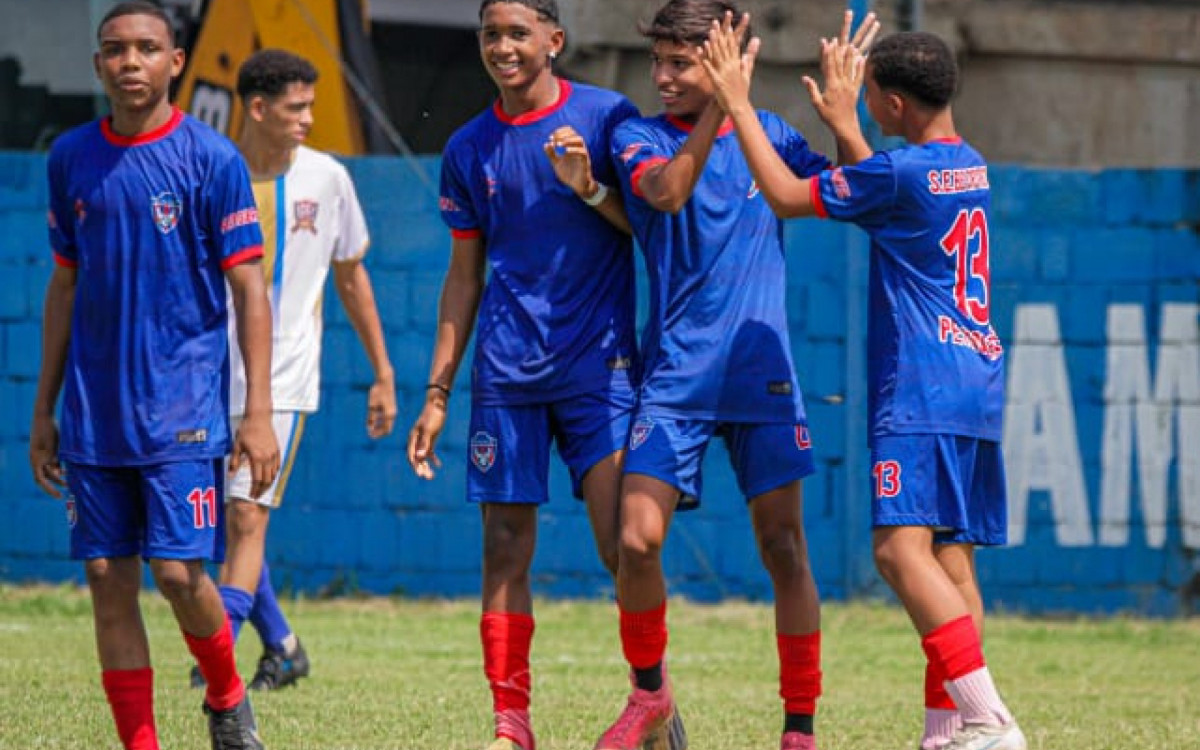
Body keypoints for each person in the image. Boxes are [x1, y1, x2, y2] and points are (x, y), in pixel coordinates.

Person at [701, 17, 1026, 750]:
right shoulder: (965, 162)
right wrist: (850, 122)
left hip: (920, 384)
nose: (865, 102)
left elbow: (786, 194)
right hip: (974, 377)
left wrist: (739, 103)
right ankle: (947, 733)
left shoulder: (900, 171)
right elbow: (883, 198)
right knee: (949, 558)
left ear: (896, 106)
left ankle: (988, 717)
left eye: (872, 93)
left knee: (896, 552)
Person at [592, 4, 876, 750]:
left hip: (761, 373)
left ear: (722, 56)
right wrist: (724, 97)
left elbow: (855, 192)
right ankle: (650, 696)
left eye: (680, 62)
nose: (663, 76)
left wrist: (846, 119)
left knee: (784, 547)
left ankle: (800, 730)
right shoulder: (636, 135)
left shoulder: (770, 136)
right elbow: (666, 193)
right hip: (676, 376)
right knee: (637, 538)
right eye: (659, 61)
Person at [406, 2, 688, 750]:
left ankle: (651, 697)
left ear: (554, 42)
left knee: (624, 546)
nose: (503, 47)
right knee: (503, 546)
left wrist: (589, 185)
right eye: (491, 35)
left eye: (517, 33)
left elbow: (650, 222)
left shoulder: (607, 117)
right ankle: (511, 726)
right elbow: (463, 275)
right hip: (505, 376)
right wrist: (437, 391)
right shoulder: (469, 147)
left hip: (598, 370)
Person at [28, 2, 277, 749]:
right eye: (114, 50)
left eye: (146, 48)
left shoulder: (212, 158)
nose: (129, 62)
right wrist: (45, 408)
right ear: (99, 64)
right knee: (107, 573)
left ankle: (228, 696)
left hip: (183, 403)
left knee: (176, 573)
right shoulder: (70, 156)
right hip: (95, 410)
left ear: (175, 61)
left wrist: (257, 411)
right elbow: (64, 284)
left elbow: (250, 288)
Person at [186, 47, 398, 694]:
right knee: (218, 524)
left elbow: (351, 274)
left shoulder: (328, 179)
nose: (309, 117)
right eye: (296, 107)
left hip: (280, 379)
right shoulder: (204, 169)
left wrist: (383, 372)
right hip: (199, 374)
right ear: (256, 108)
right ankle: (282, 643)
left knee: (247, 518)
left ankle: (213, 661)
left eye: (311, 105)